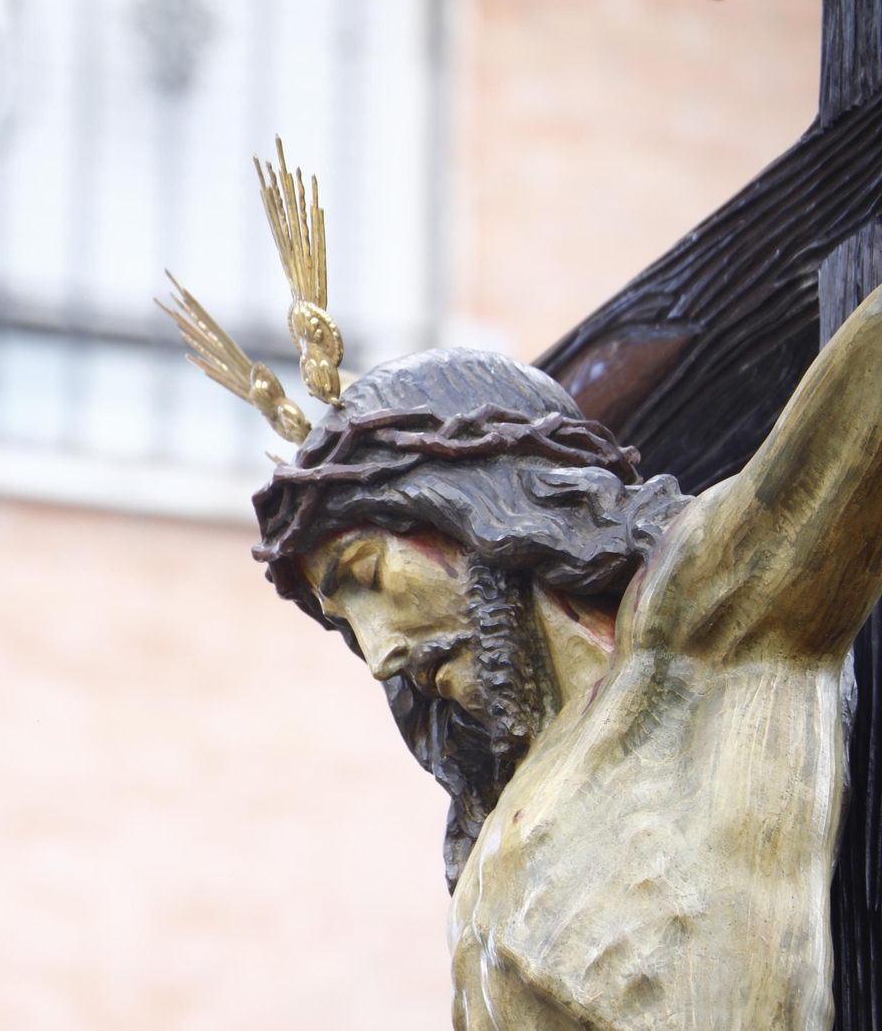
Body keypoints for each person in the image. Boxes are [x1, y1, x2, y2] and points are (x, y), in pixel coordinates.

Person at [246, 286, 882, 1030]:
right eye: (349, 629)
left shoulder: (700, 630)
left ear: (465, 505)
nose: (382, 656)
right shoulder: (499, 814)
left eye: (368, 576)